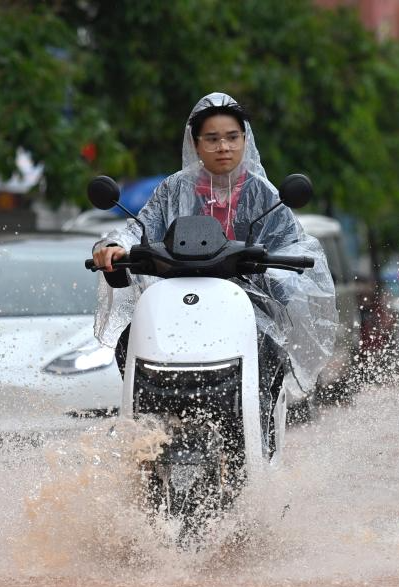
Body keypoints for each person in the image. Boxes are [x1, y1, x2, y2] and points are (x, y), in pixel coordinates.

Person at [91, 92, 338, 446]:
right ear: (196, 143)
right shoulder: (172, 189)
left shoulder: (265, 194)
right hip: (176, 305)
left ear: (244, 140)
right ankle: (144, 439)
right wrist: (113, 246)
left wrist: (279, 269)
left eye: (232, 137)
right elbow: (136, 229)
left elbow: (293, 244)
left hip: (248, 308)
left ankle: (259, 442)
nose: (223, 146)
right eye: (212, 138)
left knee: (268, 351)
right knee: (129, 342)